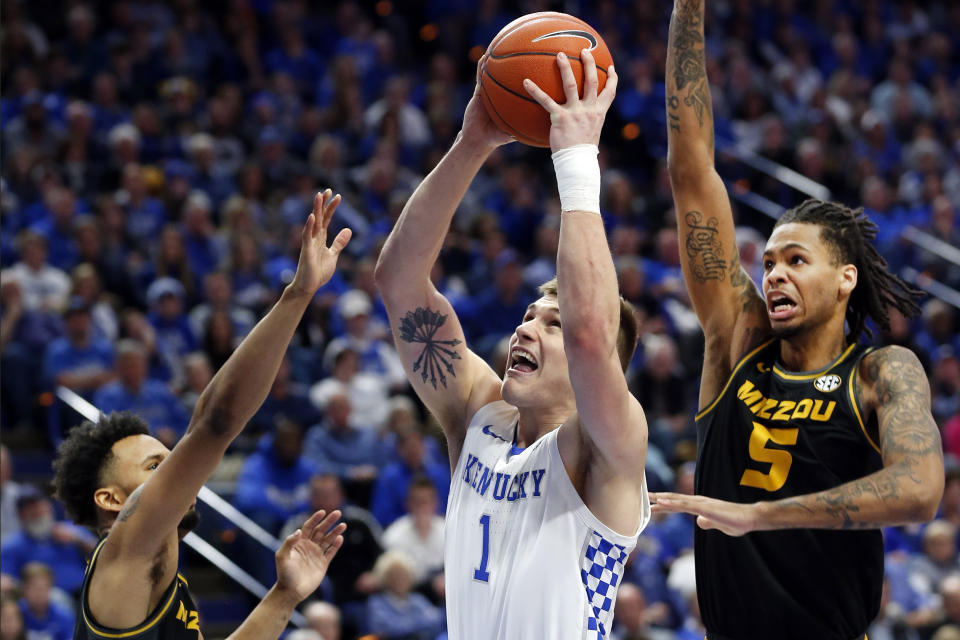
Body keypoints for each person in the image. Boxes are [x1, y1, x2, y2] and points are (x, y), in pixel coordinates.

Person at [651, 2, 945, 638]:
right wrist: (688, 8)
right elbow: (690, 169)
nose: (774, 272)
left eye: (795, 260)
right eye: (770, 261)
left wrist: (759, 517)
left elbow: (920, 490)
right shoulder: (739, 342)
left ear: (846, 279)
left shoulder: (880, 372)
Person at [374, 50, 649, 638]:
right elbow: (398, 282)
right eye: (528, 315)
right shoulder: (481, 415)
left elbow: (590, 335)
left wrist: (576, 157)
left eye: (551, 324)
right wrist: (473, 141)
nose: (526, 328)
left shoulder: (605, 446)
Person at [51, 191, 352, 640]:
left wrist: (283, 596)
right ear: (112, 500)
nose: (179, 468)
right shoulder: (124, 552)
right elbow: (215, 421)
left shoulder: (161, 585)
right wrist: (298, 294)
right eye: (158, 465)